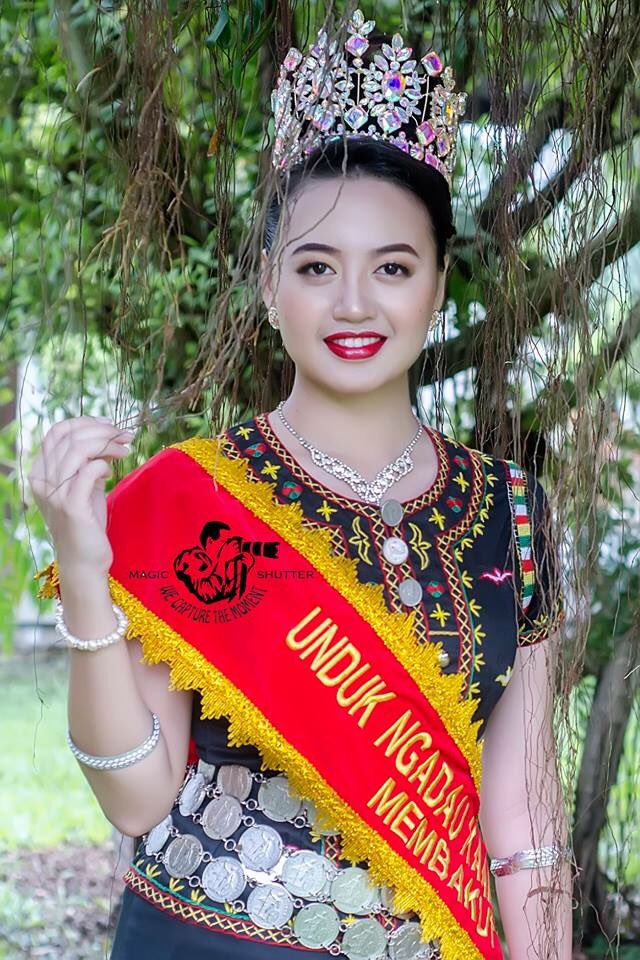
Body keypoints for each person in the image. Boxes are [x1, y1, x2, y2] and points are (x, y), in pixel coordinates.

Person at [29, 10, 572, 959]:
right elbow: (136, 799)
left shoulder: (511, 511)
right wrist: (83, 569)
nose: (354, 303)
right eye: (317, 266)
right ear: (269, 285)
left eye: (393, 267)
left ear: (438, 283)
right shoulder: (190, 499)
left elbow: (525, 823)